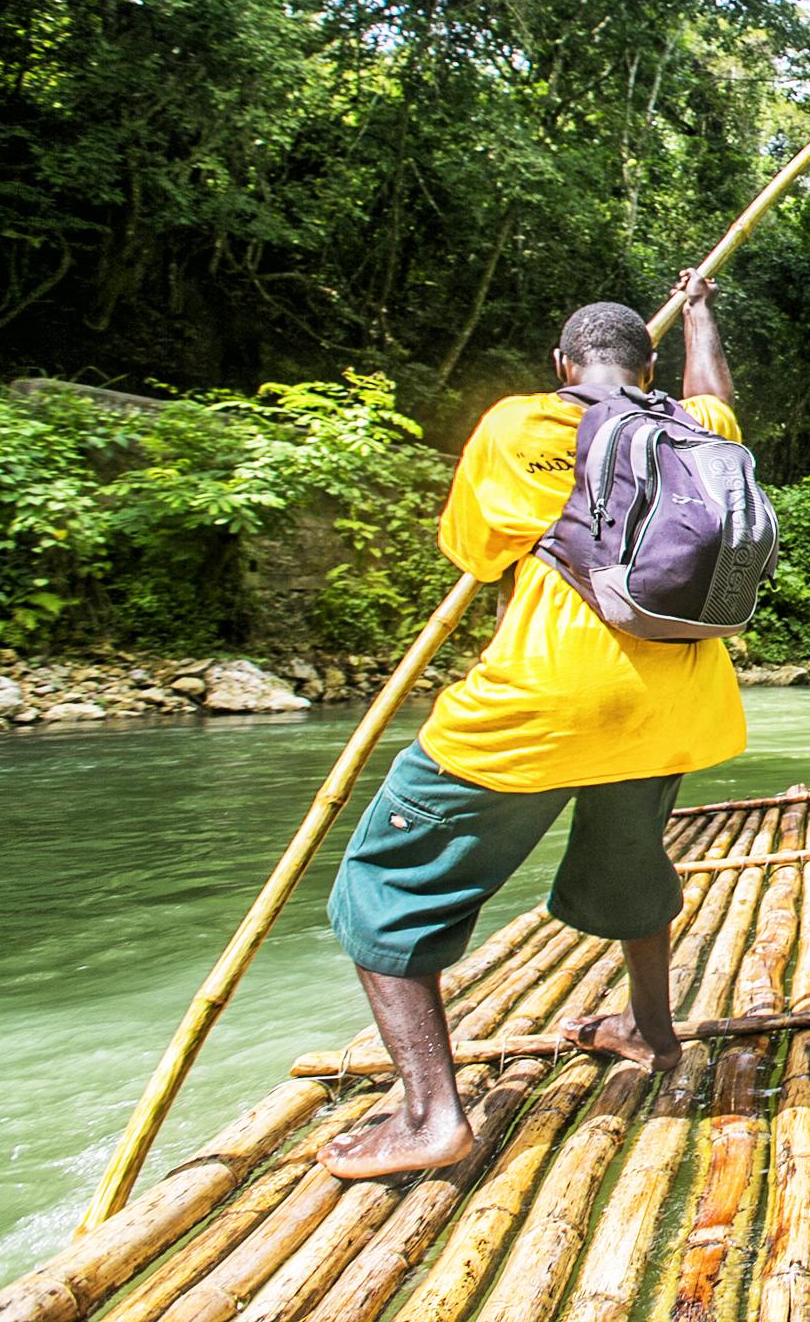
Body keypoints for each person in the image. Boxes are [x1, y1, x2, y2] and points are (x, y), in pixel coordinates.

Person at [318, 270, 748, 1179]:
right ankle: (651, 1031)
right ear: (649, 363)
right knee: (630, 855)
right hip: (680, 704)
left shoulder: (521, 422)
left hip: (552, 701)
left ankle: (432, 1116)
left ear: (563, 364)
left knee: (382, 884)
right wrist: (703, 310)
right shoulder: (695, 427)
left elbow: (475, 551)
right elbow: (717, 397)